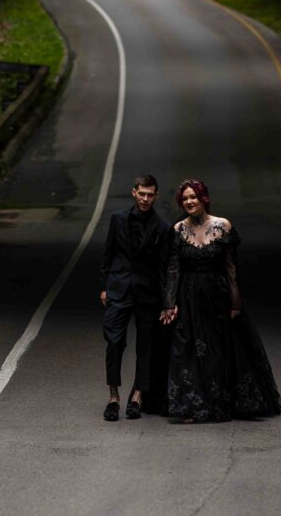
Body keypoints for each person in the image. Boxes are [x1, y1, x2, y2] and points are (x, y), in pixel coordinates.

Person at [160, 179, 281, 423]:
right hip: (189, 297)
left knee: (220, 351)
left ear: (203, 199)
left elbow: (231, 269)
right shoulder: (178, 230)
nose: (189, 201)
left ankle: (220, 404)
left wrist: (235, 304)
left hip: (217, 296)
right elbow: (173, 269)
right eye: (185, 198)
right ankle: (193, 405)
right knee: (188, 351)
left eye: (193, 197)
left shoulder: (222, 226)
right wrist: (169, 303)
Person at [100, 174, 171, 422]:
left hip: (147, 293)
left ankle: (137, 397)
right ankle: (113, 397)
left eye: (150, 194)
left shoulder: (162, 227)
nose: (145, 198)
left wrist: (167, 302)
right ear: (134, 192)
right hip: (119, 290)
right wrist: (104, 286)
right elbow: (108, 254)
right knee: (114, 342)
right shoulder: (118, 219)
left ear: (156, 196)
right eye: (142, 193)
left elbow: (163, 267)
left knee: (146, 346)